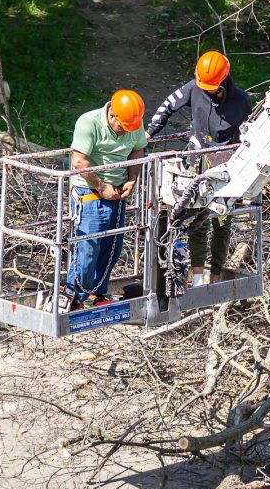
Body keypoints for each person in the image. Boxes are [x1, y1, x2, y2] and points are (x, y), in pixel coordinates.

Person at [146, 51, 251, 286]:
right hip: (197, 159)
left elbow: (248, 137)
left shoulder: (241, 102)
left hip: (226, 165)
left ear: (222, 81)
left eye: (210, 87)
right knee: (196, 219)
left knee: (222, 221)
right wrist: (149, 132)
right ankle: (195, 277)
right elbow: (168, 105)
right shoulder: (194, 87)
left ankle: (215, 274)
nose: (205, 90)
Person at [66, 89, 148, 308]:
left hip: (118, 192)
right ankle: (74, 298)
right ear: (112, 115)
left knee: (112, 247)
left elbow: (137, 150)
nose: (125, 133)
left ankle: (97, 294)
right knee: (87, 248)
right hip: (89, 193)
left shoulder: (133, 121)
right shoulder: (88, 123)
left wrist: (132, 178)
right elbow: (80, 162)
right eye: (122, 128)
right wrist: (101, 186)